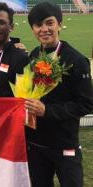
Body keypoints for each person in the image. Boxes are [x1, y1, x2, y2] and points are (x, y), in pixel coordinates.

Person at [25, 2, 93, 187]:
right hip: (36, 145)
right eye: (38, 25)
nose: (44, 29)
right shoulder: (33, 56)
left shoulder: (77, 60)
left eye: (49, 23)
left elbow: (86, 104)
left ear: (59, 24)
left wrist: (47, 110)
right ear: (33, 29)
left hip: (65, 145)